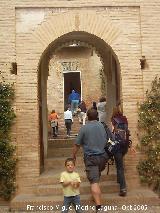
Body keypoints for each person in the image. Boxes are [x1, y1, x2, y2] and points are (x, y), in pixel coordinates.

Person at [73, 108, 109, 213]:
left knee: (94, 182)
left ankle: (99, 207)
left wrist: (73, 156)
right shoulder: (102, 126)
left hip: (91, 158)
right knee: (96, 177)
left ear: (87, 117)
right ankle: (94, 196)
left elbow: (77, 144)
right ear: (97, 116)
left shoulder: (84, 128)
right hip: (103, 157)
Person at [111, 105, 127, 197]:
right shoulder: (125, 119)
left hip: (117, 146)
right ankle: (119, 180)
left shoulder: (114, 120)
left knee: (120, 167)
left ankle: (123, 188)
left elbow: (112, 132)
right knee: (119, 165)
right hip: (124, 145)